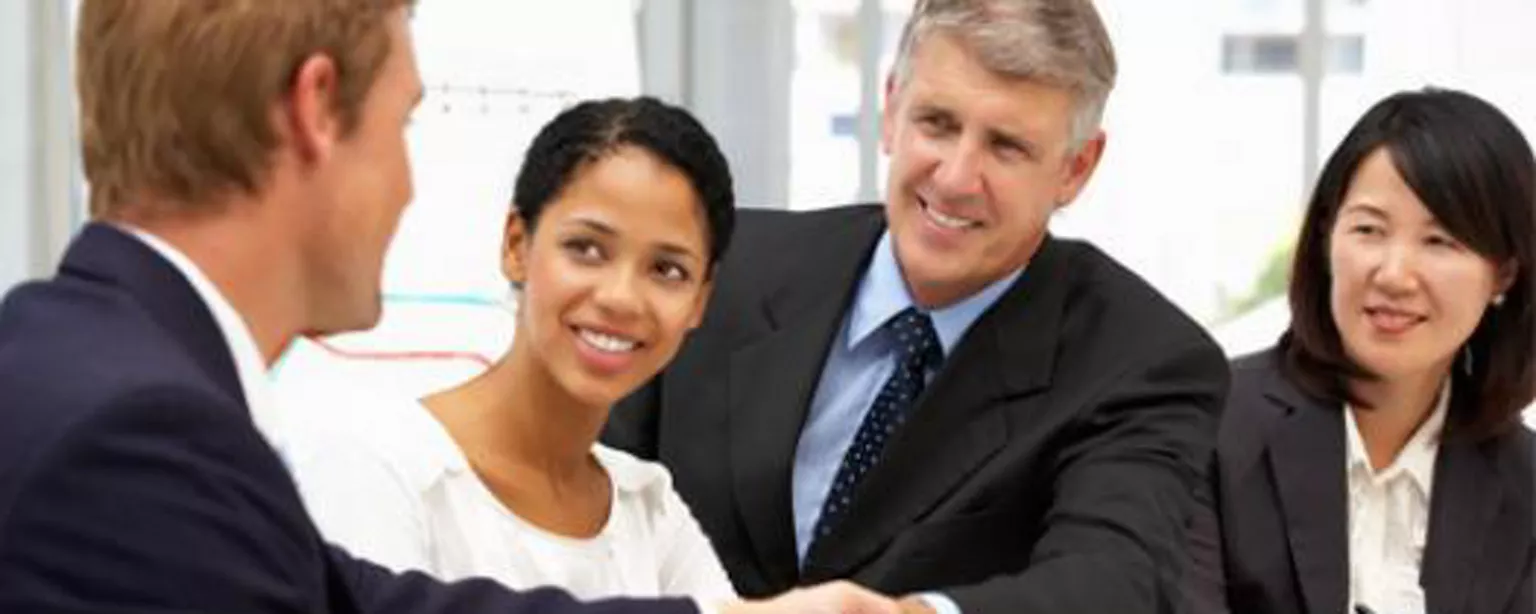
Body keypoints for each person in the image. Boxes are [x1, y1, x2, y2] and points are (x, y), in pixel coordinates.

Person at [0, 2, 898, 614]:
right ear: (318, 110)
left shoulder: (80, 368)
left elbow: (365, 602)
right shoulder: (138, 437)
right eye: (402, 124)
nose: (405, 185)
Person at [602, 1, 1230, 613]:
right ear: (890, 111)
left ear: (1076, 168)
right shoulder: (724, 263)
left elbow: (1111, 586)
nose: (956, 177)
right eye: (937, 123)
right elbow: (581, 488)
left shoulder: (1142, 361)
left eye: (1006, 146)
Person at [280, 97, 737, 604]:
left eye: (667, 270)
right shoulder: (380, 467)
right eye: (586, 248)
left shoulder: (647, 506)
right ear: (517, 246)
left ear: (700, 300)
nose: (621, 297)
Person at [1188, 88, 1536, 614]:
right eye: (1369, 229)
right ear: (1328, 236)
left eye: (1440, 241)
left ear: (1503, 273)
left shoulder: (1525, 488)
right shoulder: (1208, 423)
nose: (1394, 274)